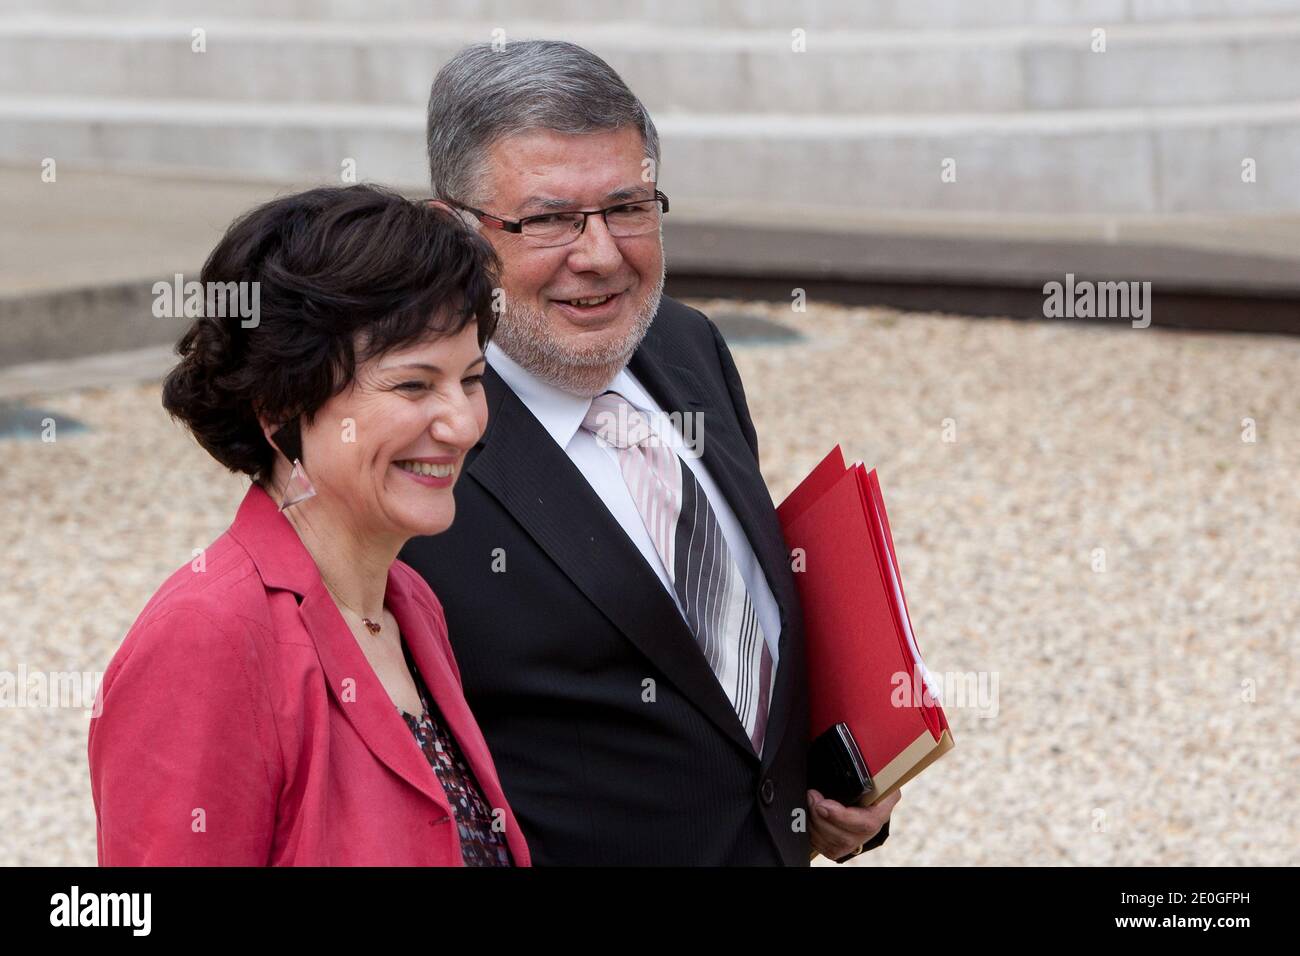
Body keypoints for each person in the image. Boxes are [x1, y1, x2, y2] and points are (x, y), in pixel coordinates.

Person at [400, 40, 898, 865]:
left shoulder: (687, 345)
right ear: (453, 228)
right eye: (550, 219)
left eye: (628, 207)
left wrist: (840, 797)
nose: (599, 254)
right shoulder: (417, 449)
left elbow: (730, 644)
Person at [88, 184, 530, 866]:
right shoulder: (210, 637)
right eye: (414, 385)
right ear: (280, 407)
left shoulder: (411, 603)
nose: (463, 423)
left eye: (471, 380)